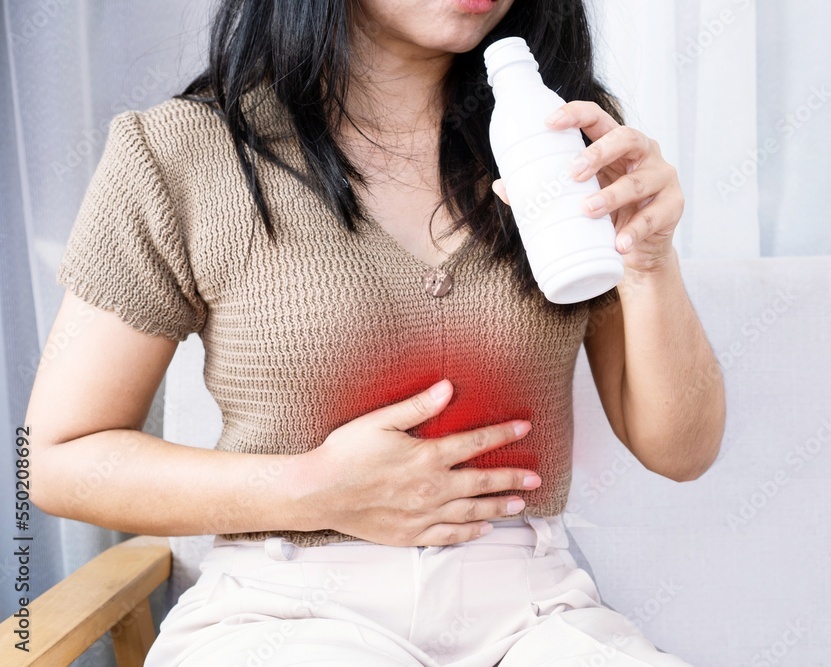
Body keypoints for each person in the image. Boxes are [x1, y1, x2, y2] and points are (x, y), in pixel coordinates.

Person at [25, 0, 725, 664]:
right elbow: (57, 459)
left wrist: (650, 260)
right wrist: (308, 487)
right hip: (289, 616)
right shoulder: (183, 152)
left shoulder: (563, 136)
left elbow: (682, 451)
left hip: (533, 613)